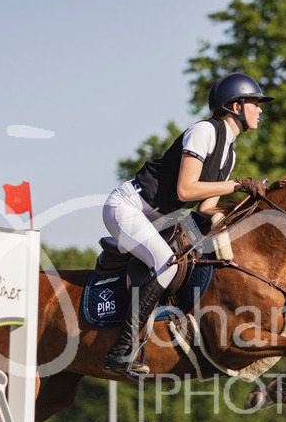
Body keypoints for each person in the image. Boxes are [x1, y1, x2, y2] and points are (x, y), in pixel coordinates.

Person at [102, 72, 273, 379]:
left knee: (182, 262)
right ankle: (121, 352)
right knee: (167, 264)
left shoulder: (229, 153)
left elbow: (206, 207)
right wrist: (236, 186)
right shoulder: (204, 132)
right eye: (255, 103)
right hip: (127, 207)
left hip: (155, 218)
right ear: (235, 106)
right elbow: (185, 191)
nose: (260, 109)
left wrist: (247, 207)